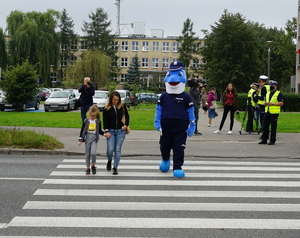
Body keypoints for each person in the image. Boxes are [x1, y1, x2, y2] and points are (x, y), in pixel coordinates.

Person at [154, 60, 195, 178]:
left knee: (179, 147)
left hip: (181, 127)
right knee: (164, 145)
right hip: (165, 126)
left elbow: (190, 111)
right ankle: (165, 160)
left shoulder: (186, 97)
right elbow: (158, 110)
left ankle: (177, 167)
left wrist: (192, 124)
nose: (172, 79)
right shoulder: (163, 96)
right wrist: (157, 122)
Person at [103, 91, 129, 175]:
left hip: (120, 131)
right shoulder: (106, 108)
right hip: (110, 130)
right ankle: (109, 160)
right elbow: (105, 121)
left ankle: (115, 167)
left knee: (117, 150)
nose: (116, 101)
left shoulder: (122, 107)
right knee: (110, 150)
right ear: (111, 99)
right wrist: (106, 131)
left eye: (117, 100)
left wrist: (126, 125)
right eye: (114, 100)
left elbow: (127, 117)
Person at [78, 105, 104, 175]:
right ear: (89, 114)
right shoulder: (86, 121)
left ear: (97, 115)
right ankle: (87, 167)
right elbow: (82, 130)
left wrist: (105, 134)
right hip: (88, 138)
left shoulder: (98, 121)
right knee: (87, 154)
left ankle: (93, 165)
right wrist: (80, 139)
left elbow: (99, 131)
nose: (93, 117)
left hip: (94, 138)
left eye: (94, 116)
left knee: (93, 153)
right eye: (91, 115)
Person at [258, 80, 283, 145]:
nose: (271, 87)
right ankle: (264, 139)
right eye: (271, 85)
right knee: (265, 125)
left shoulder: (278, 93)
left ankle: (272, 140)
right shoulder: (268, 93)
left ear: (276, 86)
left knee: (273, 127)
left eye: (273, 86)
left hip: (274, 112)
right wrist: (265, 104)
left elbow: (281, 103)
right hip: (267, 111)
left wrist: (272, 103)